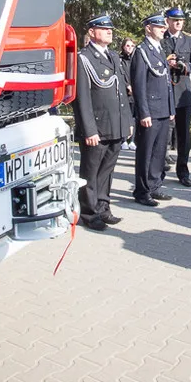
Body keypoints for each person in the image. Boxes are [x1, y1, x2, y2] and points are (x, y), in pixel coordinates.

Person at [71, 15, 131, 231]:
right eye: (104, 28)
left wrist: (127, 122)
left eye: (110, 29)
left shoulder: (114, 56)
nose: (109, 31)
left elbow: (121, 93)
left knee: (107, 170)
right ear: (91, 32)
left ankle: (103, 207)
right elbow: (82, 98)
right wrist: (89, 129)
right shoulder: (84, 58)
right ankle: (88, 212)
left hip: (115, 124)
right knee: (91, 171)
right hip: (97, 126)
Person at [130, 14, 175, 207]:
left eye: (163, 27)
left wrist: (171, 107)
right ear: (148, 28)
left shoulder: (158, 48)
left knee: (159, 152)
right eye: (158, 26)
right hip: (151, 110)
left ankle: (154, 185)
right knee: (146, 152)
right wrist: (144, 112)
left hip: (163, 109)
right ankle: (141, 191)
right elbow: (139, 85)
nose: (162, 29)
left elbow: (166, 82)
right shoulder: (142, 51)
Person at [161, 7, 191, 186]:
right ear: (168, 21)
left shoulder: (189, 40)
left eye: (181, 20)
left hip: (182, 94)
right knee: (163, 133)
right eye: (174, 20)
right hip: (164, 91)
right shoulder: (161, 40)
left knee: (183, 136)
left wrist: (184, 66)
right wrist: (166, 62)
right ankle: (159, 170)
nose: (178, 23)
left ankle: (183, 172)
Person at [118, 37, 137, 150]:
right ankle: (124, 139)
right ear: (123, 47)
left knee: (134, 117)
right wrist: (127, 85)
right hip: (125, 92)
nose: (129, 48)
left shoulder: (136, 59)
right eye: (127, 46)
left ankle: (133, 140)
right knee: (125, 116)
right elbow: (120, 74)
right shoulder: (120, 59)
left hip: (135, 93)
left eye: (131, 46)